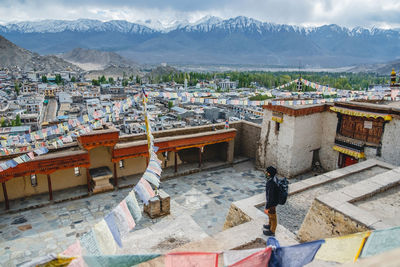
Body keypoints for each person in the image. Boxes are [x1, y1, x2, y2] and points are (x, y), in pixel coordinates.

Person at [263, 166, 279, 236]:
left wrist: (267, 206)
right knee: (270, 215)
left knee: (273, 216)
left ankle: (272, 231)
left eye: (266, 172)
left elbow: (270, 196)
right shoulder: (274, 179)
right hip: (274, 201)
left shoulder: (271, 183)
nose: (265, 173)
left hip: (272, 202)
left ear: (269, 174)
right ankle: (270, 225)